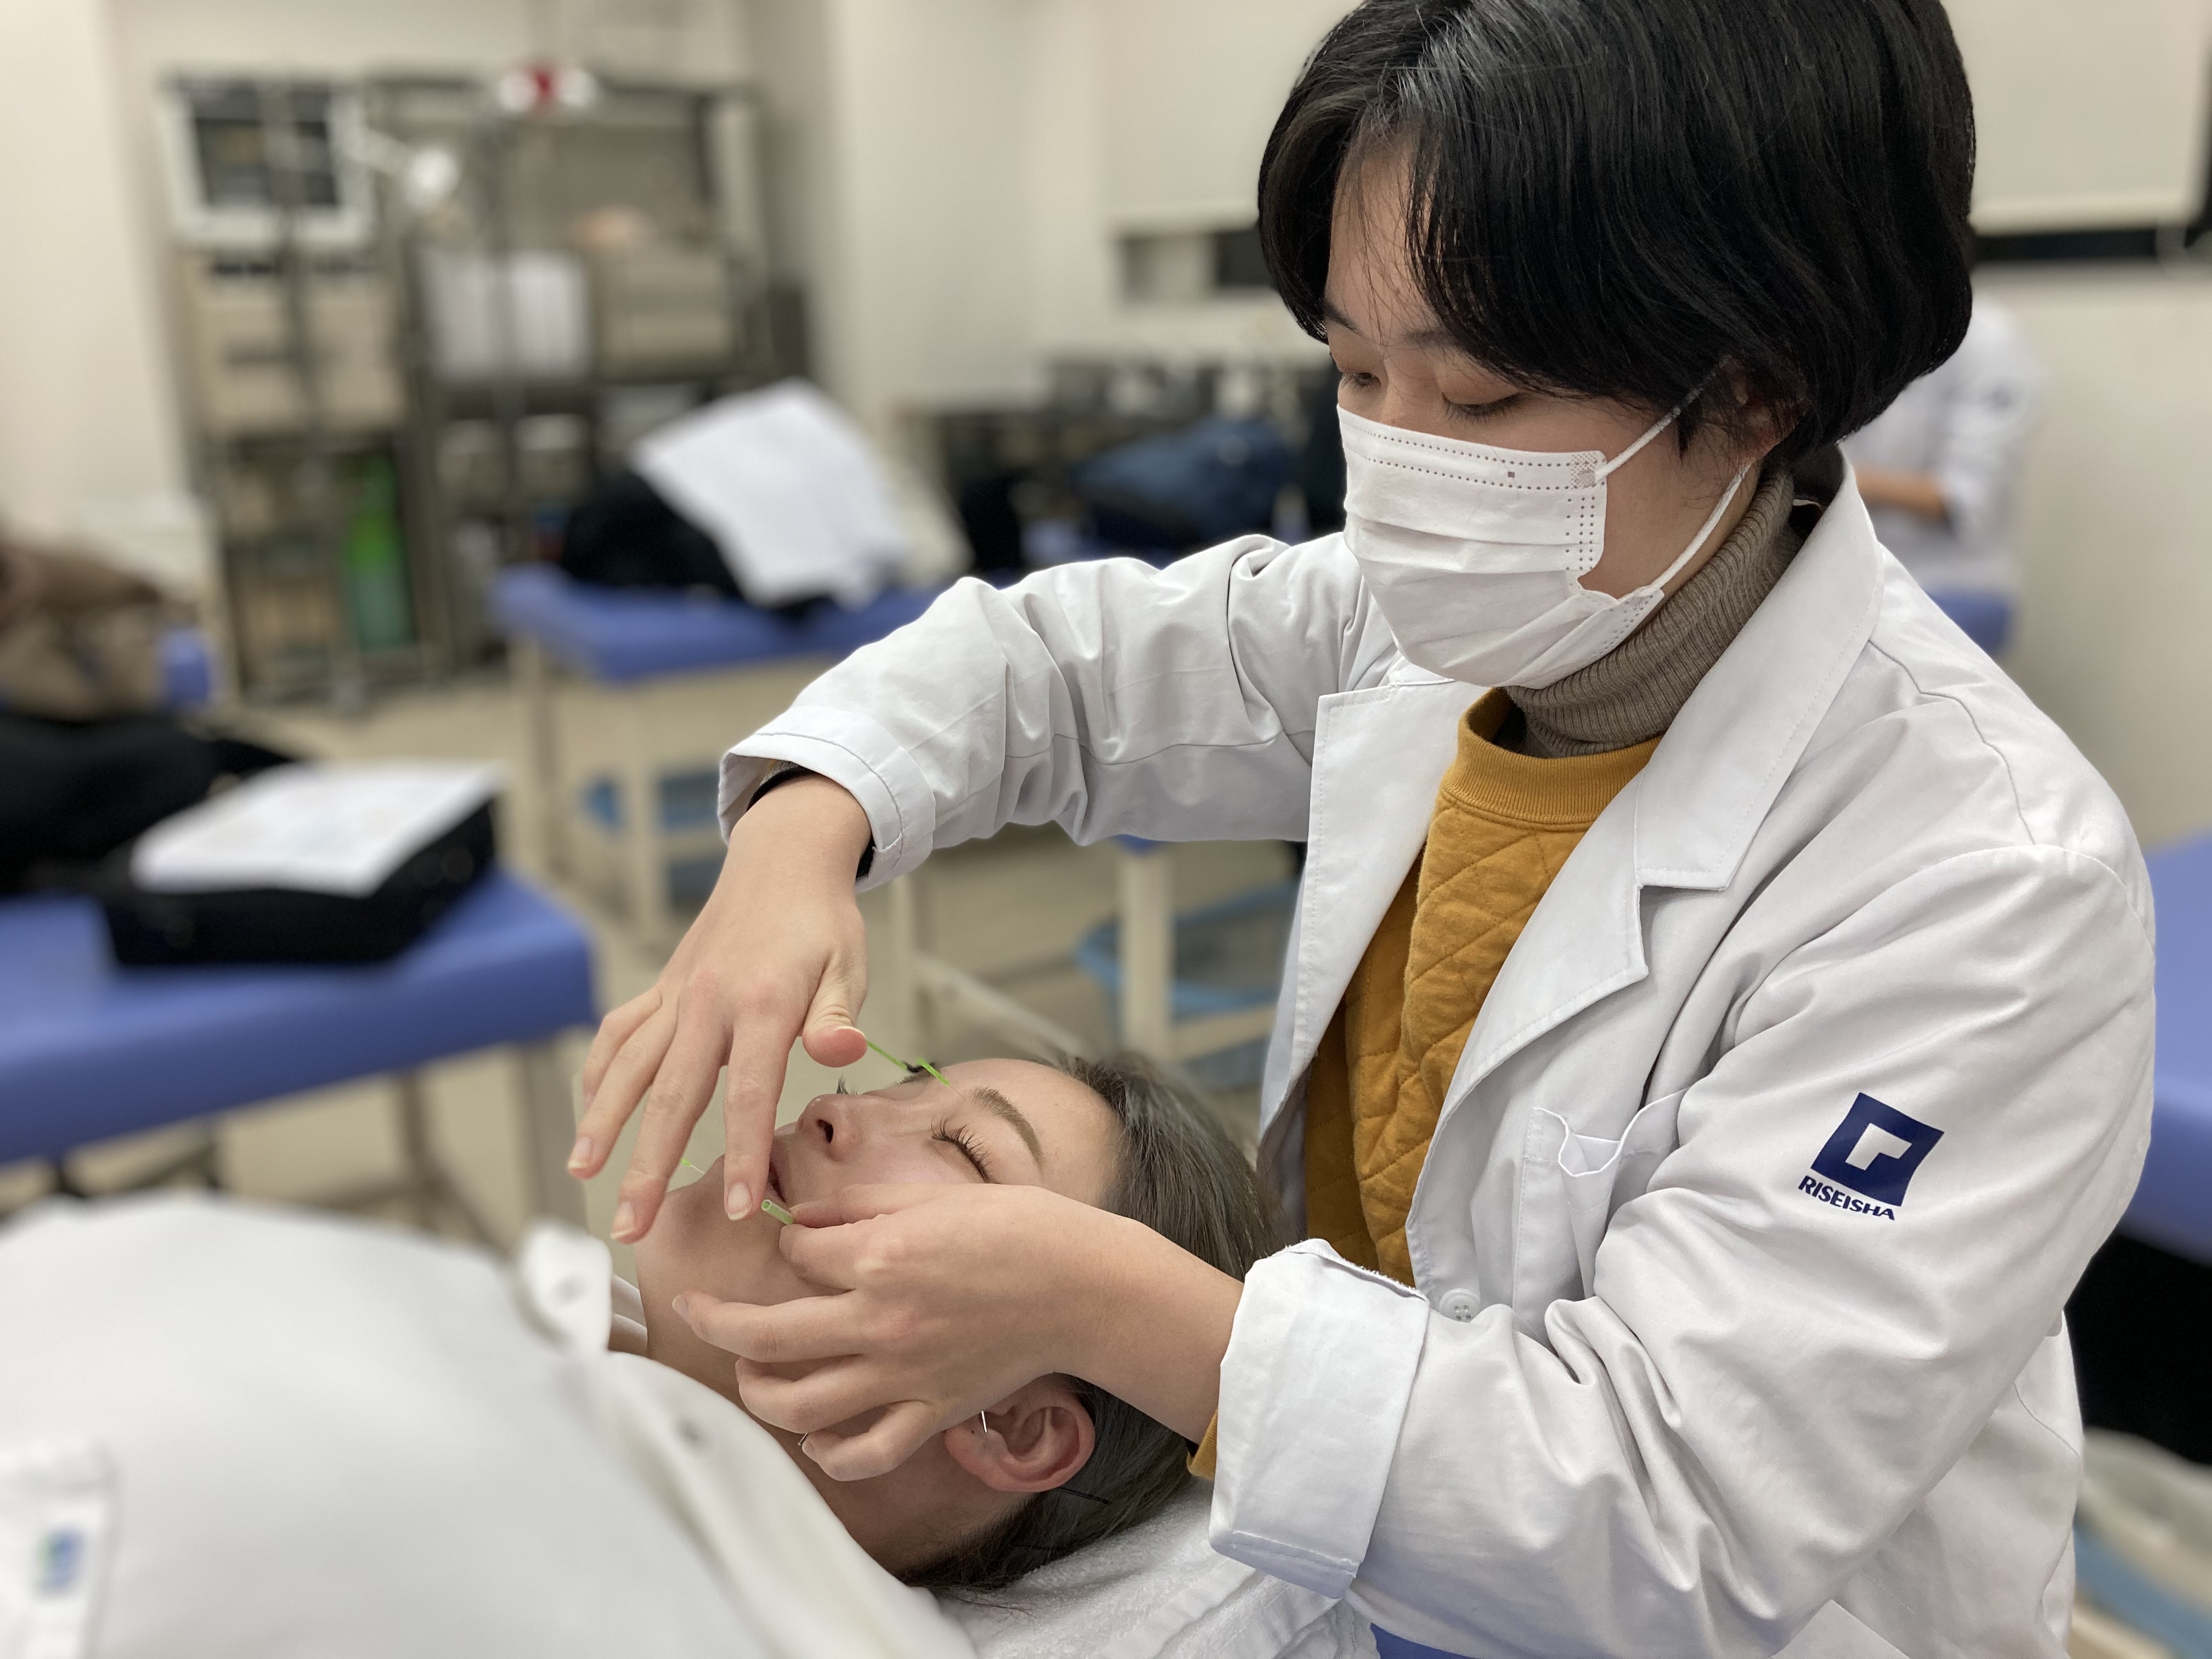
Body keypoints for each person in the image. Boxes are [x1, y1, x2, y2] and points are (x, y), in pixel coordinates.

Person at [574, 3, 2155, 1655]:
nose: (1396, 465)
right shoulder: (1448, 621)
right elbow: (1046, 673)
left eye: (1478, 393)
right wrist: (798, 838)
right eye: (1352, 370)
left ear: (1759, 384)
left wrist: (1100, 1302)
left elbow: (1663, 1518)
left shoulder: (1984, 883)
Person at [1843, 300, 2042, 637]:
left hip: (1952, 584)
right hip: (1862, 573)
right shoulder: (1862, 324)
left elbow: (1967, 497)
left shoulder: (1987, 343)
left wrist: (1835, 477)